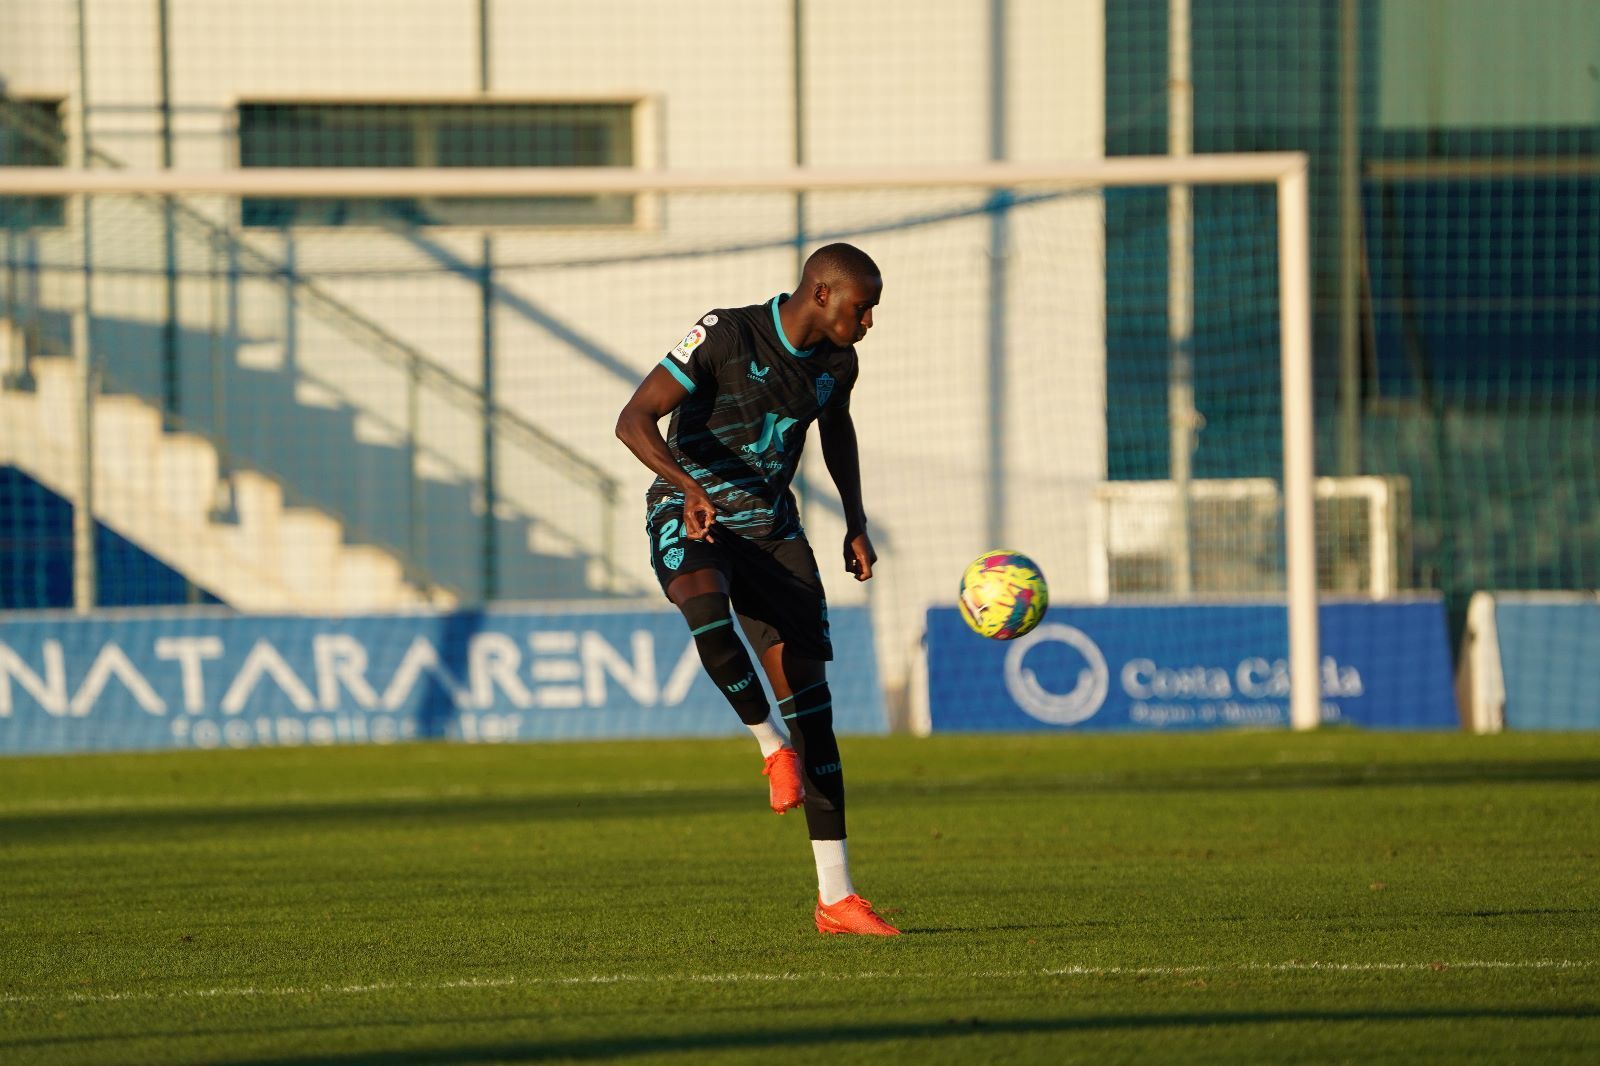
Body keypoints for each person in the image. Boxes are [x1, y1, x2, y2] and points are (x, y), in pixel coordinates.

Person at [615, 242, 899, 936]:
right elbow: (632, 419)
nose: (868, 322)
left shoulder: (838, 363)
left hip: (775, 534)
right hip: (692, 513)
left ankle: (837, 899)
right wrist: (687, 486)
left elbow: (837, 433)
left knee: (816, 715)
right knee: (707, 611)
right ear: (823, 293)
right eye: (863, 308)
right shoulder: (725, 333)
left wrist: (856, 522)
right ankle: (771, 748)